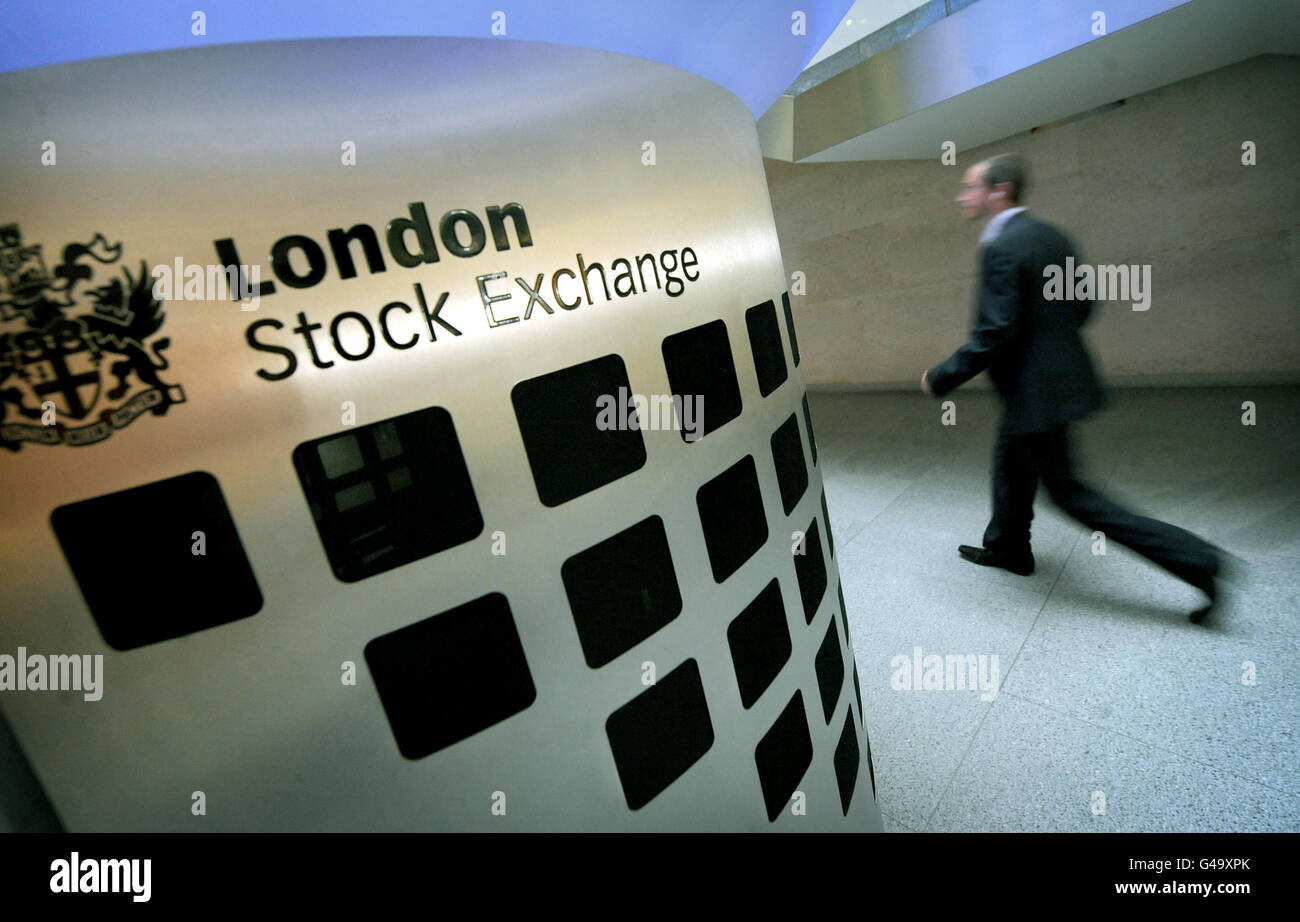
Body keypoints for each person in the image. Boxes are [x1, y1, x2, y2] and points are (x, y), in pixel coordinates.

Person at [921, 154, 1229, 622]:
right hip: (1057, 383)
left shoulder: (1002, 246)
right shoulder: (1052, 236)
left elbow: (994, 331)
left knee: (1072, 495)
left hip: (1036, 392)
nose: (963, 196)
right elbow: (1083, 307)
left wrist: (941, 376)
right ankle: (1008, 548)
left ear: (999, 190)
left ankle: (1200, 562)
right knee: (1012, 461)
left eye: (971, 187)